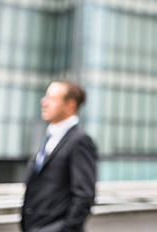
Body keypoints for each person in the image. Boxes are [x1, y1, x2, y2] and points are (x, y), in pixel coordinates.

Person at [21, 81, 98, 232]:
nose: (44, 102)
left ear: (71, 105)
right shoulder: (50, 137)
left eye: (52, 98)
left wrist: (66, 229)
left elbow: (84, 195)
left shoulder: (80, 141)